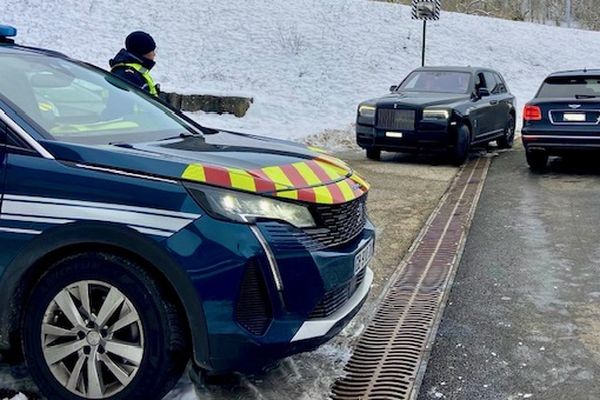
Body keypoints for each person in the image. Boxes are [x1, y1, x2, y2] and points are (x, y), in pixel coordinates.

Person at [109, 31, 159, 96]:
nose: (154, 54)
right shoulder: (129, 75)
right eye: (152, 51)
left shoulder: (136, 71)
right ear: (142, 52)